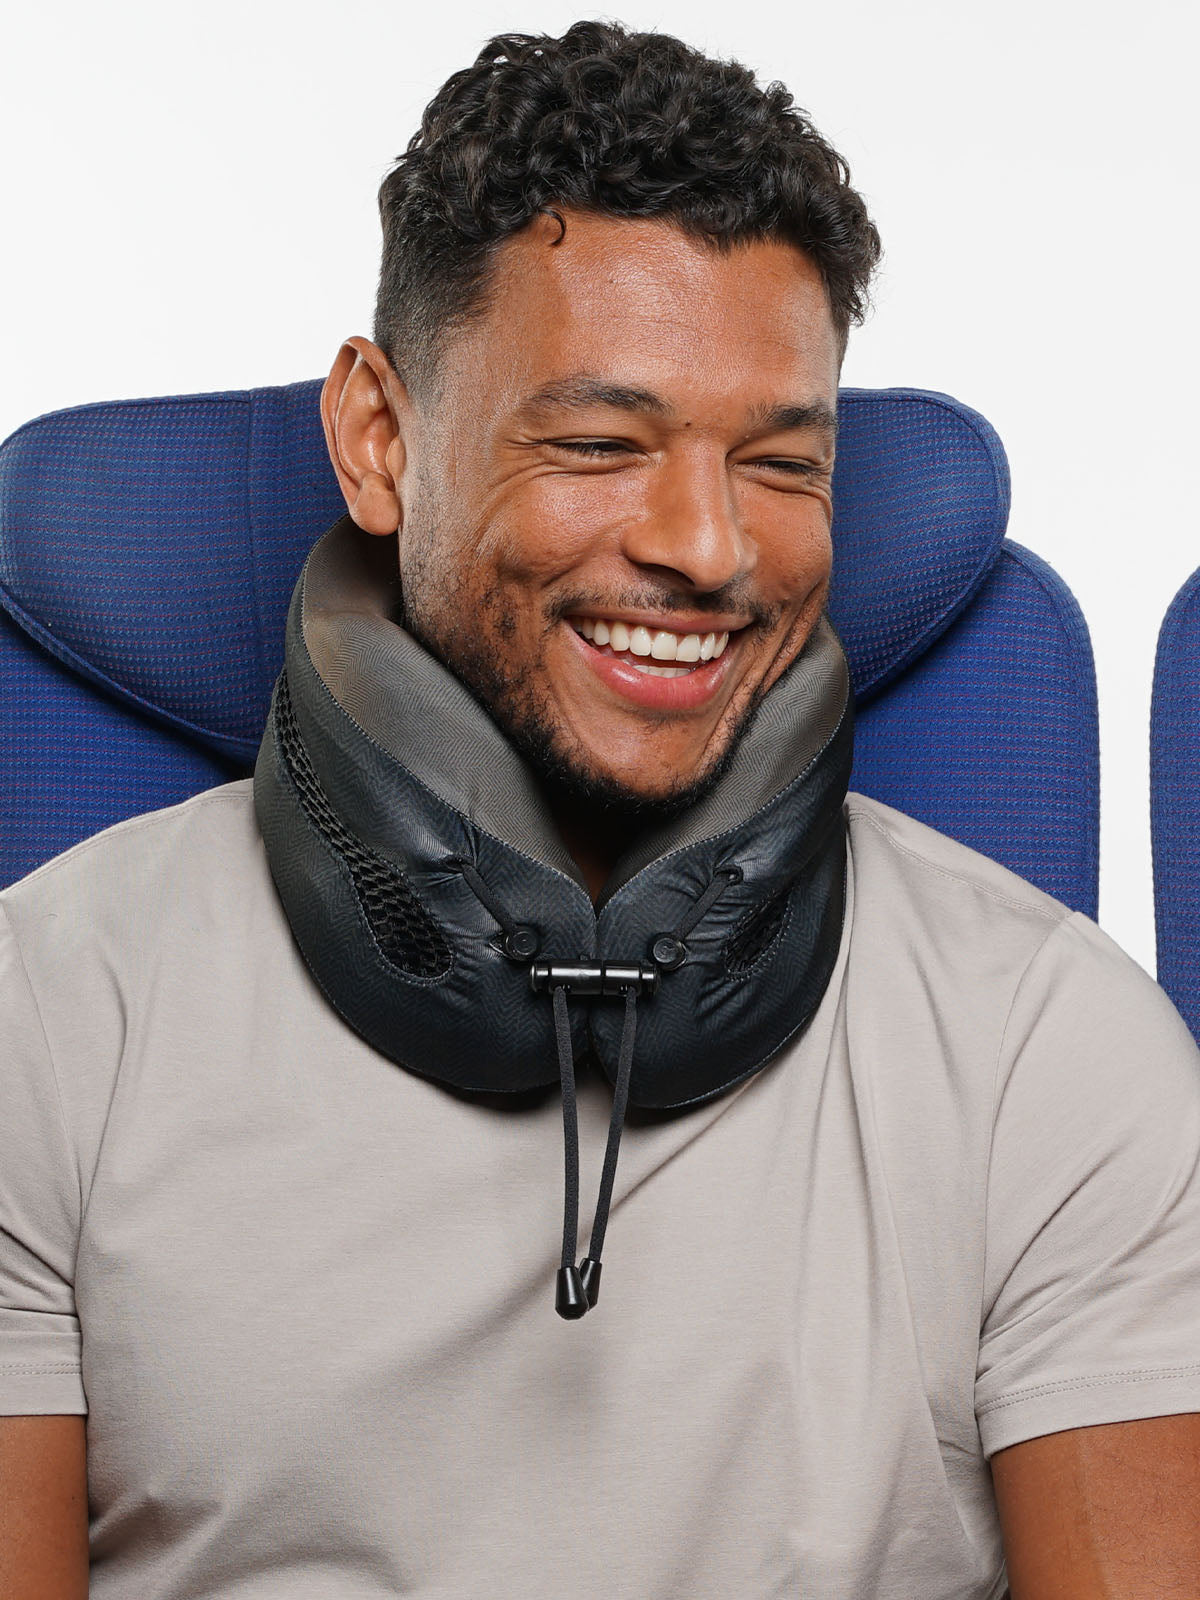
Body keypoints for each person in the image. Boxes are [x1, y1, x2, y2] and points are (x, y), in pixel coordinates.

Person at [2, 18, 1199, 1598]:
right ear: (379, 438)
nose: (707, 546)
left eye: (782, 463)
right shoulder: (44, 1021)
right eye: (598, 443)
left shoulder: (1056, 1051)